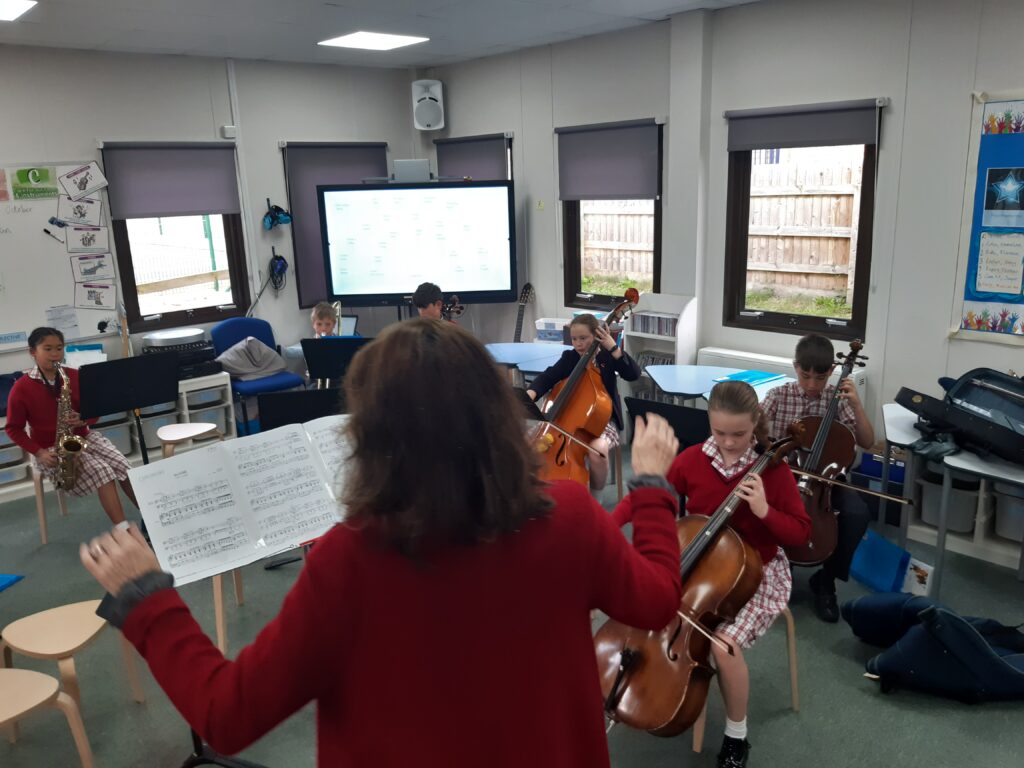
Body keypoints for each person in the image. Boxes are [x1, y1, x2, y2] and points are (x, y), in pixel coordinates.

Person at [79, 319, 684, 768]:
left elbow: (228, 716)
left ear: (371, 436)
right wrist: (652, 486)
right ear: (496, 417)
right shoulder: (571, 517)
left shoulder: (350, 559)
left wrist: (147, 598)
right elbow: (658, 602)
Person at [611, 380, 810, 768]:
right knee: (652, 603)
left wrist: (765, 511)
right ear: (709, 423)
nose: (730, 442)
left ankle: (737, 737)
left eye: (739, 433)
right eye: (720, 432)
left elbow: (802, 535)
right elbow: (653, 496)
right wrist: (607, 526)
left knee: (722, 646)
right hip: (701, 562)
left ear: (756, 424)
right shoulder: (693, 459)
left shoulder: (774, 470)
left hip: (759, 569)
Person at [760, 333, 875, 623]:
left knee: (857, 513)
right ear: (796, 366)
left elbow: (868, 441)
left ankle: (827, 580)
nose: (812, 385)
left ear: (832, 372)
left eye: (820, 378)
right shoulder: (779, 395)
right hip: (785, 477)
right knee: (759, 507)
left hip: (826, 480)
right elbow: (756, 430)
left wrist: (857, 406)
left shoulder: (838, 399)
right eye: (806, 376)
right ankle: (774, 572)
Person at [5, 327, 139, 526]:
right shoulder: (21, 388)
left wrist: (84, 419)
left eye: (59, 348)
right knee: (103, 472)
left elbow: (95, 408)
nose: (55, 354)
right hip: (50, 449)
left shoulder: (74, 376)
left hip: (82, 437)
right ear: (32, 351)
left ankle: (151, 517)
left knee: (124, 467)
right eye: (48, 349)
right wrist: (39, 452)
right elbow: (13, 428)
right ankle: (123, 531)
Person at [526, 313, 641, 490]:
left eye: (583, 338)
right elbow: (548, 376)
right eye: (574, 339)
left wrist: (614, 349)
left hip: (604, 419)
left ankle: (596, 498)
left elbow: (633, 374)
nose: (578, 343)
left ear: (597, 336)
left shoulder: (607, 357)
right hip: (570, 417)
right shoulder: (570, 358)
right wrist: (531, 394)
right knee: (528, 440)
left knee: (598, 451)